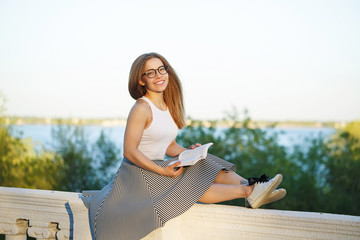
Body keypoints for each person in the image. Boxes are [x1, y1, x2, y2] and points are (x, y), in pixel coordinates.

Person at [82, 52, 286, 240]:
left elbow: (168, 144)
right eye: (150, 73)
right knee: (189, 185)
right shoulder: (141, 108)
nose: (158, 75)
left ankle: (253, 186)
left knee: (205, 161)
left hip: (158, 166)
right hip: (137, 174)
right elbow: (129, 150)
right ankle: (248, 192)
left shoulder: (167, 106)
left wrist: (189, 153)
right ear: (141, 80)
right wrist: (162, 170)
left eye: (162, 69)